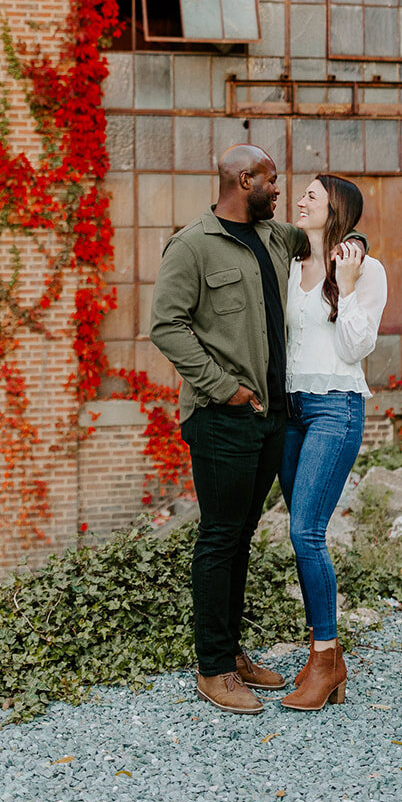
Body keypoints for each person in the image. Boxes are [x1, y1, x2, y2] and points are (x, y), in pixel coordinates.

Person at [148, 144, 310, 715]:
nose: (279, 191)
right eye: (272, 181)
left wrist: (354, 242)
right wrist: (227, 388)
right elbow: (166, 326)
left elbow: (322, 233)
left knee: (240, 536)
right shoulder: (192, 245)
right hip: (222, 417)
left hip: (271, 419)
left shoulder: (274, 237)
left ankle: (232, 653)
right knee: (219, 538)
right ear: (245, 180)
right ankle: (213, 668)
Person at [278, 173, 387, 712]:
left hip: (335, 408)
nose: (300, 200)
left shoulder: (368, 272)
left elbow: (354, 348)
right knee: (301, 535)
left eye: (312, 196)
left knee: (306, 531)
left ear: (336, 209)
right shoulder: (291, 264)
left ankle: (327, 659)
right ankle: (320, 650)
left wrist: (345, 285)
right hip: (290, 412)